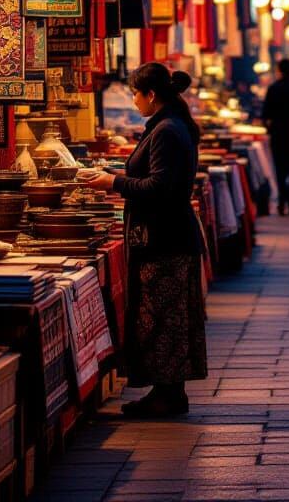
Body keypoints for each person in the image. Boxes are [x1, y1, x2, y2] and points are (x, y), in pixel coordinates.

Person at [81, 63, 207, 417]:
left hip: (165, 239)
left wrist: (113, 183)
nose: (134, 101)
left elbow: (159, 187)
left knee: (164, 318)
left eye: (136, 94)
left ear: (151, 95)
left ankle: (167, 395)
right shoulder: (167, 126)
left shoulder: (167, 130)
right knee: (164, 317)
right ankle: (166, 392)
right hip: (165, 236)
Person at [261, 58, 289, 215]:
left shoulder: (274, 88)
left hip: (278, 133)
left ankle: (282, 201)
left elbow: (266, 113)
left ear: (279, 70)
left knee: (280, 170)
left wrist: (268, 128)